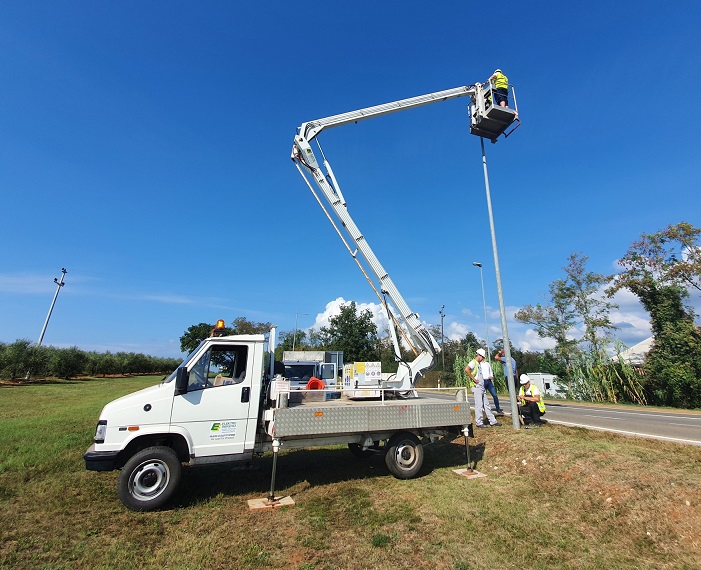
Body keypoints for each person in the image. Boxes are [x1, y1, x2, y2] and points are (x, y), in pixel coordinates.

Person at [465, 348, 502, 429]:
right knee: (479, 405)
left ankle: (492, 421)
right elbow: (466, 369)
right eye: (482, 357)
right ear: (479, 355)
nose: (482, 359)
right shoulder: (473, 362)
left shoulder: (478, 363)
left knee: (486, 404)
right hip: (477, 387)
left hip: (481, 387)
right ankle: (479, 422)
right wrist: (473, 379)